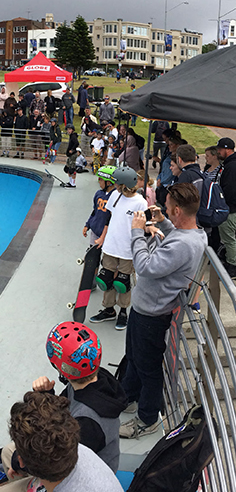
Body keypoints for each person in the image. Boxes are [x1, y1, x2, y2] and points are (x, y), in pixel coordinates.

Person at [122, 183, 207, 439]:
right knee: (134, 358)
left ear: (178, 210)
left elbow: (145, 266)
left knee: (148, 368)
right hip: (145, 309)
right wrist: (165, 224)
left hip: (152, 316)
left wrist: (137, 233)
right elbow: (177, 237)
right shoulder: (193, 234)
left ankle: (146, 419)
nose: (166, 212)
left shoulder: (183, 245)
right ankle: (129, 396)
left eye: (168, 209)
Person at [34, 322, 127, 471]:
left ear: (60, 367)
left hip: (89, 477)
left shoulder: (87, 422)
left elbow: (62, 461)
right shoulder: (94, 379)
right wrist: (47, 395)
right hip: (79, 455)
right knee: (9, 452)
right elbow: (61, 411)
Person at [1, 391, 123, 492]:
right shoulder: (70, 443)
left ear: (22, 461)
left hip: (54, 481)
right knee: (8, 451)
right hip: (64, 477)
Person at [89, 166, 147, 330]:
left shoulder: (140, 202)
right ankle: (108, 310)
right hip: (110, 246)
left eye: (117, 183)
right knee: (106, 279)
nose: (114, 185)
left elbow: (143, 225)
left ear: (124, 185)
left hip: (127, 250)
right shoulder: (115, 195)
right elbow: (109, 218)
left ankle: (123, 312)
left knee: (122, 282)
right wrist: (102, 238)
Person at [217, 137, 236, 276]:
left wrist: (222, 204)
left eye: (220, 149)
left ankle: (233, 266)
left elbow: (229, 189)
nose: (218, 151)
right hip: (233, 208)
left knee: (229, 239)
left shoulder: (231, 166)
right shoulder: (231, 164)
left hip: (231, 209)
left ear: (227, 149)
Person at [85, 166, 116, 248]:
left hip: (108, 233)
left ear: (109, 183)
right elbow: (94, 211)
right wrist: (87, 225)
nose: (98, 181)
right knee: (92, 255)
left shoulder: (115, 196)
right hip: (95, 230)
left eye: (100, 179)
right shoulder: (99, 193)